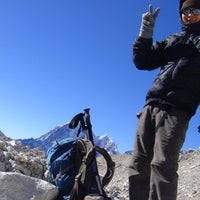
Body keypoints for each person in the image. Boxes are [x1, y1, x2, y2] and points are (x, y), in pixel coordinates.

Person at [129, 0, 200, 200]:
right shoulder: (173, 40)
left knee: (163, 165)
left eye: (195, 10)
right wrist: (146, 32)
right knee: (138, 164)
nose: (189, 14)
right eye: (185, 11)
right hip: (151, 106)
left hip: (177, 110)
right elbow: (143, 61)